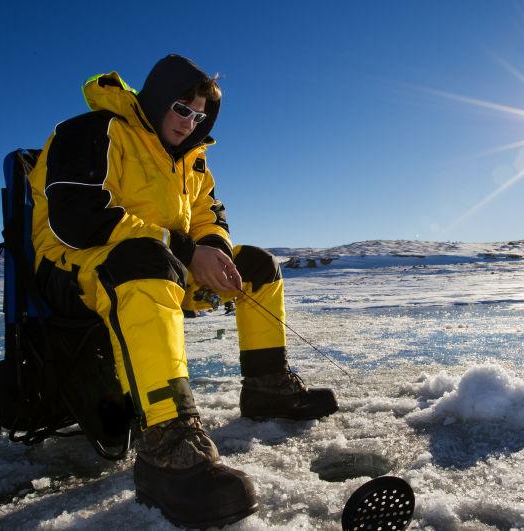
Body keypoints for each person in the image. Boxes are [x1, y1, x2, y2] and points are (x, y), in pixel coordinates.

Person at [28, 54, 338, 528]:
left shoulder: (191, 160)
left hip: (162, 262)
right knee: (145, 259)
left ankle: (267, 387)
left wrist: (212, 250)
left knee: (255, 264)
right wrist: (185, 250)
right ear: (155, 98)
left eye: (199, 115)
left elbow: (210, 216)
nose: (189, 121)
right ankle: (166, 445)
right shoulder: (93, 130)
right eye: (181, 108)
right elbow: (77, 217)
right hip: (75, 266)